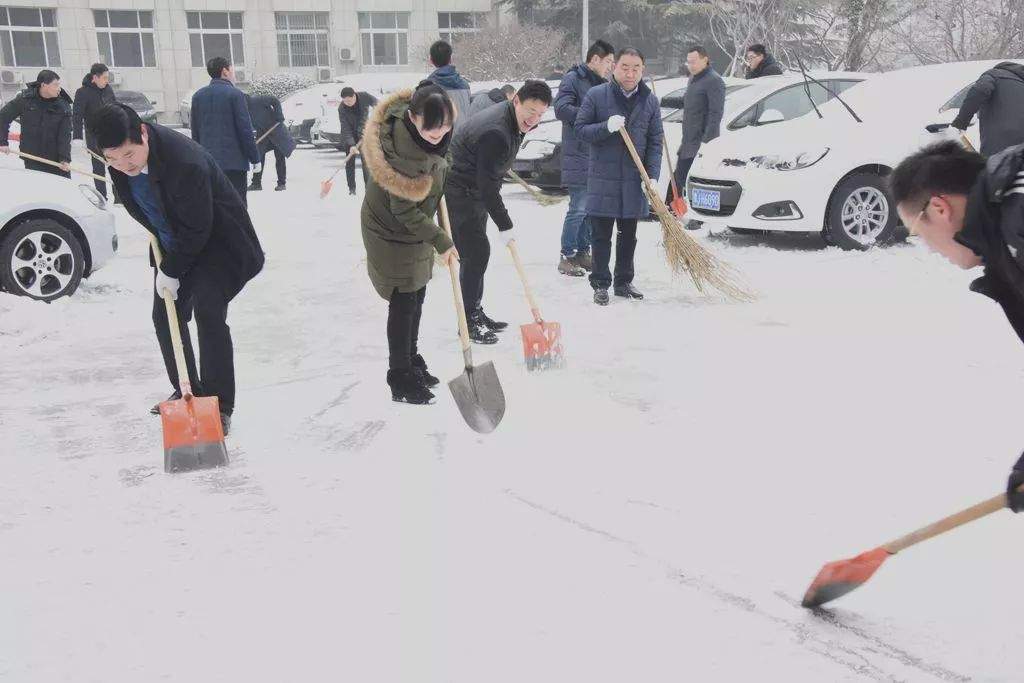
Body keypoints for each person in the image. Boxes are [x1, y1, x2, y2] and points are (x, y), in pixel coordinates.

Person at [89, 103, 263, 435]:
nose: (123, 165)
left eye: (129, 155)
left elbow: (199, 229)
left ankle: (218, 404)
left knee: (209, 312)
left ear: (142, 134)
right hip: (175, 242)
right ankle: (187, 388)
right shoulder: (117, 161)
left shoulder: (185, 162)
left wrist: (171, 269)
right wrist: (166, 257)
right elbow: (145, 204)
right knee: (164, 315)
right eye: (112, 159)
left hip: (218, 243)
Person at [890, 139, 1024, 513]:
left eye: (917, 232)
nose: (929, 248)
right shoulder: (1005, 233)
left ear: (939, 207)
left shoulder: (1018, 220)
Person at [361, 82, 458, 404]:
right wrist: (441, 240)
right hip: (389, 228)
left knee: (418, 291)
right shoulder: (402, 152)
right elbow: (403, 210)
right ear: (413, 118)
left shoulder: (433, 135)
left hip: (417, 221)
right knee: (403, 299)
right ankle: (399, 375)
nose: (439, 133)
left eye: (445, 127)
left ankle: (412, 359)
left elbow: (437, 182)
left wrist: (442, 229)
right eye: (432, 128)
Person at [445, 80, 552, 343]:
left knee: (476, 254)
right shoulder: (497, 132)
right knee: (476, 253)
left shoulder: (510, 119)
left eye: (540, 114)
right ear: (516, 100)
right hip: (460, 191)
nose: (534, 119)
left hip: (473, 190)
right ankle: (468, 321)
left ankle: (474, 312)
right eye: (530, 111)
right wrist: (505, 223)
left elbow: (489, 177)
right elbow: (487, 184)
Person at [575, 47, 662, 306]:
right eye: (625, 66)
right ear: (615, 67)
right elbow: (580, 129)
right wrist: (605, 127)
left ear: (642, 70)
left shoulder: (649, 100)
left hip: (634, 179)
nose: (630, 72)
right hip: (604, 177)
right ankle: (600, 283)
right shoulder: (597, 95)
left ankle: (623, 282)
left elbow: (655, 141)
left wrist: (653, 176)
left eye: (636, 68)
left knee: (629, 235)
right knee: (601, 235)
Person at [554, 39, 615, 277]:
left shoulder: (602, 84)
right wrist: (590, 115)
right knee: (578, 208)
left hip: (596, 155)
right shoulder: (573, 79)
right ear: (595, 59)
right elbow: (560, 108)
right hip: (578, 153)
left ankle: (582, 252)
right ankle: (566, 255)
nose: (610, 67)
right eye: (608, 62)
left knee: (590, 209)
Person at [190, 56, 260, 205]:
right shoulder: (235, 95)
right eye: (232, 69)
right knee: (237, 206)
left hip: (208, 163)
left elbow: (195, 131)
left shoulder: (198, 96)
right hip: (234, 164)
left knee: (215, 205)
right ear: (225, 71)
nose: (233, 73)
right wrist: (255, 158)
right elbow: (245, 130)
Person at [676, 46, 725, 224]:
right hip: (688, 140)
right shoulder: (694, 79)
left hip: (702, 143)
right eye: (688, 62)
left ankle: (697, 219)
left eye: (694, 61)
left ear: (705, 59)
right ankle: (680, 215)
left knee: (696, 183)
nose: (691, 65)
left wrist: (707, 143)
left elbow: (715, 114)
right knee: (679, 179)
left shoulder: (714, 81)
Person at [0, 70, 72, 178]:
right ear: (44, 85)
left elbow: (65, 135)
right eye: (55, 85)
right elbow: (3, 117)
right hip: (32, 157)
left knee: (61, 190)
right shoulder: (25, 100)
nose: (59, 88)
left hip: (56, 159)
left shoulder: (63, 105)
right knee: (39, 191)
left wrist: (64, 159)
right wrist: (2, 142)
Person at [952, 62, 1024, 157]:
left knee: (996, 168)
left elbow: (979, 91)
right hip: (1020, 145)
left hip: (999, 142)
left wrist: (962, 120)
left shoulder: (993, 74)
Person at [73, 63, 117, 198]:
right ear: (95, 78)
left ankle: (120, 196)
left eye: (107, 78)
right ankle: (102, 196)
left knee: (116, 165)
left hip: (111, 134)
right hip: (95, 136)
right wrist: (77, 137)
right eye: (104, 78)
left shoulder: (108, 90)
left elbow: (116, 108)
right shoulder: (83, 93)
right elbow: (77, 115)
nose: (106, 81)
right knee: (99, 167)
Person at [246, 93, 294, 192]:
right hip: (262, 133)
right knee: (258, 157)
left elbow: (274, 100)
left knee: (279, 157)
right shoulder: (243, 109)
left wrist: (278, 115)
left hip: (276, 130)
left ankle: (281, 183)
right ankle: (256, 183)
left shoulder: (258, 99)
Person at [338, 87, 378, 195]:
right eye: (345, 101)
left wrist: (377, 114)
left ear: (354, 96)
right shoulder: (342, 108)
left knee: (366, 163)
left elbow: (378, 104)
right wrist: (351, 144)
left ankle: (368, 189)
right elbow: (345, 127)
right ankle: (352, 189)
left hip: (364, 133)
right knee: (350, 162)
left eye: (349, 101)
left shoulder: (364, 96)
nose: (347, 103)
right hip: (349, 135)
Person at [426, 40, 471, 131]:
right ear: (451, 59)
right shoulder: (465, 86)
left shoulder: (426, 88)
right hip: (462, 139)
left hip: (438, 141)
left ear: (431, 60)